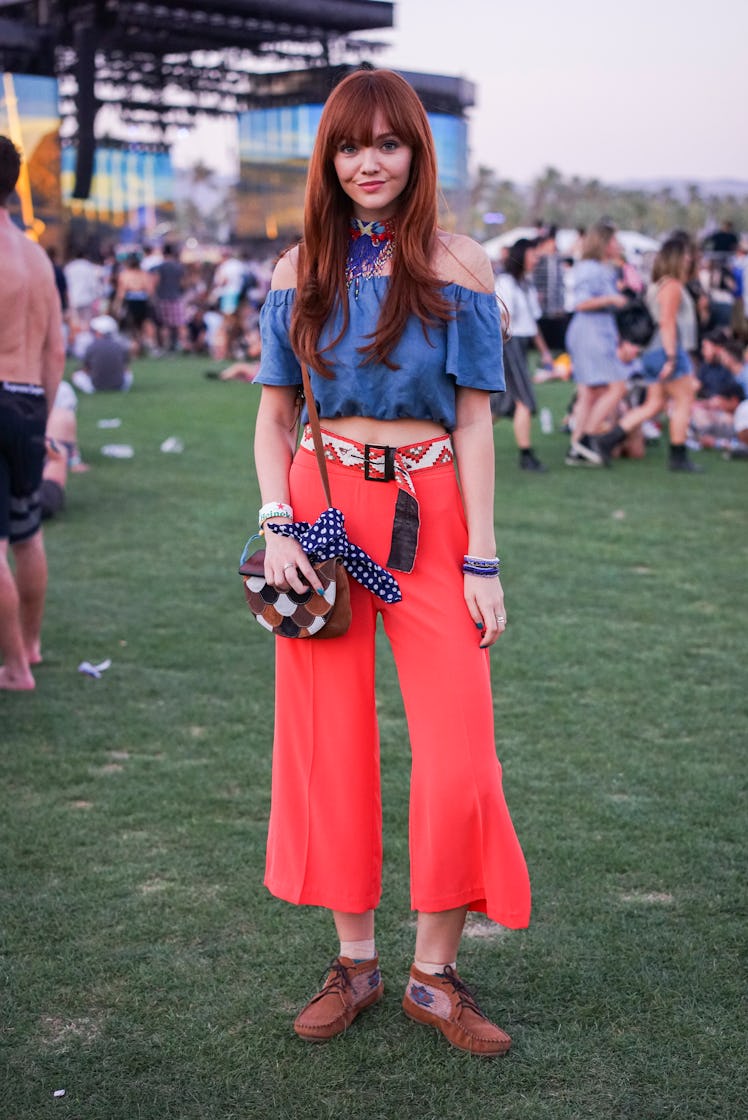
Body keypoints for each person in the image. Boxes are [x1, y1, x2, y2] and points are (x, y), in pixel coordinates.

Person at [252, 68, 530, 1057]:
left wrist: (483, 559)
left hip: (431, 511)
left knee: (459, 754)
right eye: (348, 145)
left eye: (388, 142)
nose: (367, 161)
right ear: (329, 159)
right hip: (321, 506)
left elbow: (474, 421)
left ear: (417, 152)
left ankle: (433, 975)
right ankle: (357, 962)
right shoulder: (297, 270)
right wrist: (278, 519)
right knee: (328, 744)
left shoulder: (460, 262)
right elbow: (274, 414)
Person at [0, 136, 65, 690]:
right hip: (28, 401)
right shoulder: (36, 256)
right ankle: (33, 646)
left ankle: (15, 667)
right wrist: (40, 419)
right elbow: (56, 350)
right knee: (26, 536)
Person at [592, 237, 703, 471]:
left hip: (653, 351)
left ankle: (606, 440)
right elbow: (667, 322)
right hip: (666, 349)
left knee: (654, 404)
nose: (689, 260)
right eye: (685, 255)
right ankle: (678, 456)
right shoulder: (671, 286)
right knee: (684, 400)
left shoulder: (658, 284)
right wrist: (672, 357)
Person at [563, 221, 630, 466]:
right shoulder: (590, 268)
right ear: (604, 242)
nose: (618, 245)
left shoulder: (602, 268)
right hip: (591, 332)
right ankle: (587, 439)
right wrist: (612, 298)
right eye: (614, 240)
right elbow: (580, 303)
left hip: (597, 331)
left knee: (589, 392)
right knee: (617, 386)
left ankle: (577, 445)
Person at [493, 238, 552, 471]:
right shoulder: (506, 282)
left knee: (501, 405)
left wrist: (545, 352)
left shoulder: (525, 283)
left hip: (521, 343)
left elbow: (532, 323)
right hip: (510, 344)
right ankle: (526, 455)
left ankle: (459, 442)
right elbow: (502, 318)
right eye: (533, 255)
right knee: (525, 400)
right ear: (522, 255)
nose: (537, 260)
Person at [71, 315, 133, 393]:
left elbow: (86, 368)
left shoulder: (92, 346)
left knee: (77, 375)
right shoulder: (120, 346)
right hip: (118, 386)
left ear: (99, 332)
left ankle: (90, 391)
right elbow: (125, 367)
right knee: (128, 373)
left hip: (96, 385)